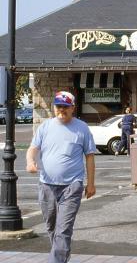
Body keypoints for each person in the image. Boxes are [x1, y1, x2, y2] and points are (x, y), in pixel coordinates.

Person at [26, 91, 96, 263]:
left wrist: (91, 184)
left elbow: (89, 157)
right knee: (51, 226)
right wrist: (30, 162)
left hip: (72, 185)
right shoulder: (45, 127)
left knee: (63, 228)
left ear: (73, 108)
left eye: (65, 107)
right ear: (54, 107)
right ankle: (61, 254)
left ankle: (57, 259)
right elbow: (32, 149)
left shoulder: (82, 128)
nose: (61, 110)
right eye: (58, 106)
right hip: (46, 184)